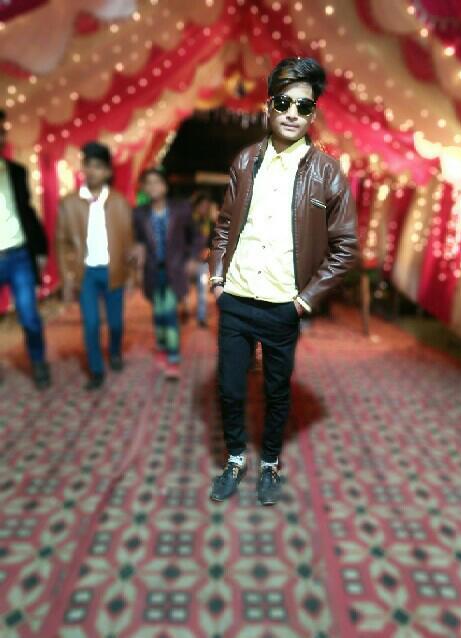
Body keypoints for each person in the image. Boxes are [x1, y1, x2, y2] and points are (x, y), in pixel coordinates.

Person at [209, 57, 358, 505]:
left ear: (313, 114)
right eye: (284, 102)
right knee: (230, 388)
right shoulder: (245, 161)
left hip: (283, 306)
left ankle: (270, 464)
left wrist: (305, 300)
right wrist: (217, 278)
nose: (293, 113)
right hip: (236, 297)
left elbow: (346, 246)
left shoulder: (327, 172)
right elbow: (224, 226)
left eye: (304, 106)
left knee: (276, 391)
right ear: (268, 106)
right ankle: (235, 457)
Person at [56, 142, 134, 390]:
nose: (92, 171)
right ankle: (97, 370)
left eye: (98, 166)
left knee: (116, 324)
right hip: (86, 273)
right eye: (88, 165)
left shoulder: (120, 203)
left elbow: (129, 243)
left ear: (108, 172)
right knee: (90, 324)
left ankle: (115, 352)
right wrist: (67, 278)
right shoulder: (69, 203)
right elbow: (62, 242)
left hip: (113, 271)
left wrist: (131, 276)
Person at [0, 109, 51, 389]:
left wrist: (40, 250)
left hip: (19, 255)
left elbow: (28, 212)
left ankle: (39, 362)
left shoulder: (16, 172)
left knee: (29, 315)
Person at [133, 168, 200, 379]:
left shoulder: (181, 209)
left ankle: (173, 358)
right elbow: (138, 240)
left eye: (157, 182)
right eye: (148, 183)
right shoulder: (139, 213)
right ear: (144, 188)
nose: (153, 186)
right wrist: (137, 251)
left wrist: (192, 258)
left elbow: (196, 236)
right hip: (152, 272)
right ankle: (162, 347)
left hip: (175, 270)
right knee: (158, 314)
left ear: (165, 186)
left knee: (169, 313)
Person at [191, 191, 215, 327]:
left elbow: (213, 242)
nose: (204, 208)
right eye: (202, 205)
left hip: (202, 263)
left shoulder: (210, 223)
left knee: (202, 290)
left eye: (207, 206)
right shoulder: (189, 222)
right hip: (188, 261)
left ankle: (201, 317)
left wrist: (208, 250)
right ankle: (184, 308)